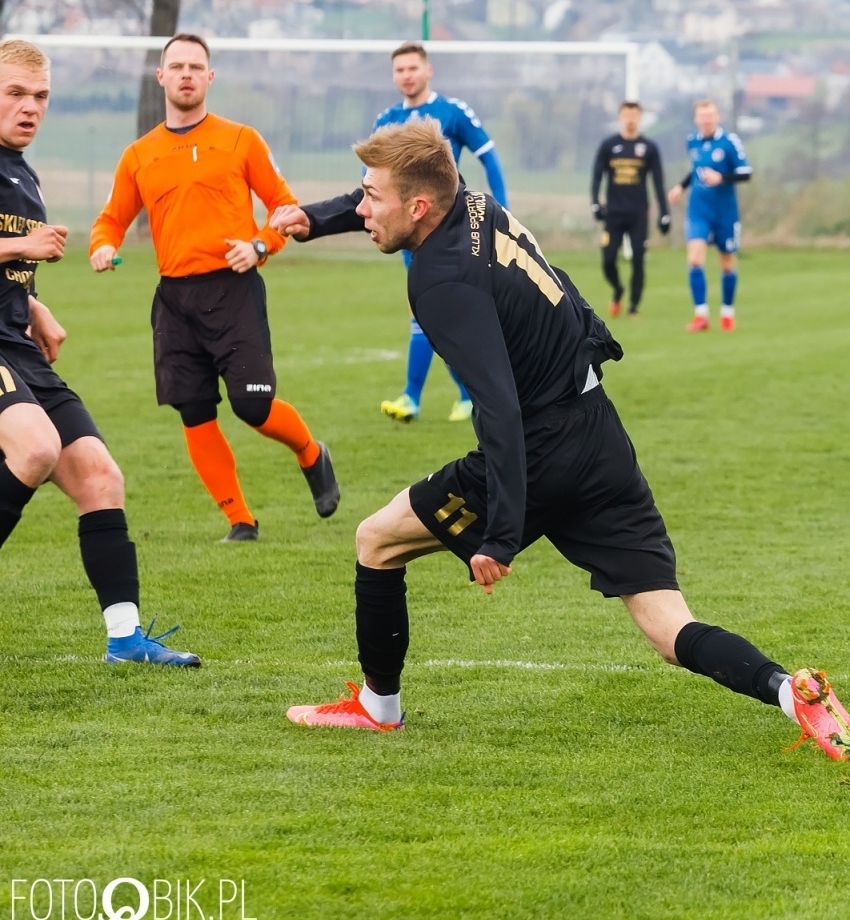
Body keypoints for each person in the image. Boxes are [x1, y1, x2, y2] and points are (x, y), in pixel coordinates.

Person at [268, 121, 850, 761]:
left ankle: (377, 709)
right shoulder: (472, 202)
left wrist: (501, 536)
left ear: (418, 207)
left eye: (369, 197)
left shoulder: (441, 282)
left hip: (536, 449)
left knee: (376, 540)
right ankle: (790, 692)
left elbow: (497, 407)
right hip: (597, 435)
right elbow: (406, 189)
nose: (360, 207)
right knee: (671, 629)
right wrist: (315, 216)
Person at [88, 33, 339, 543]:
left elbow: (285, 209)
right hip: (175, 301)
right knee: (195, 410)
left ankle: (312, 454)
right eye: (175, 66)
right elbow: (111, 218)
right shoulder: (139, 154)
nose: (185, 73)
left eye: (195, 66)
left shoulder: (241, 139)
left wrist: (261, 246)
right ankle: (240, 521)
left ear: (209, 77)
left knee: (253, 407)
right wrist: (100, 246)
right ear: (161, 77)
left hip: (235, 290)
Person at [0, 39, 198, 665]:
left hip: (15, 343)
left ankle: (125, 640)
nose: (30, 108)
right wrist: (20, 249)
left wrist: (32, 305)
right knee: (34, 447)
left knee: (100, 478)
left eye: (41, 97)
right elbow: (14, 249)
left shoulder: (20, 170)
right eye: (15, 94)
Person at [374, 42, 510, 425]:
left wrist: (504, 209)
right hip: (406, 232)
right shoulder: (385, 120)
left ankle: (414, 397)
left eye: (413, 68)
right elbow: (371, 177)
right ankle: (466, 395)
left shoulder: (452, 112)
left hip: (449, 227)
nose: (406, 75)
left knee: (436, 312)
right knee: (432, 313)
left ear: (428, 71)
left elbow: (489, 156)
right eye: (399, 69)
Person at [666, 100, 750, 332]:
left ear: (717, 117)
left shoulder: (730, 142)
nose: (706, 120)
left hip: (725, 212)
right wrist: (681, 187)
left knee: (726, 264)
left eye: (710, 115)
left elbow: (745, 173)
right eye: (702, 116)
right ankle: (701, 315)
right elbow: (696, 170)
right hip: (698, 211)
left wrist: (722, 178)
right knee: (694, 260)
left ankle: (727, 312)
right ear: (696, 119)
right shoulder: (692, 141)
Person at [590, 101, 670, 317]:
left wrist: (664, 213)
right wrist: (595, 202)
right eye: (627, 115)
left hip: (638, 215)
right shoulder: (609, 146)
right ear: (620, 117)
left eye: (635, 115)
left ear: (640, 118)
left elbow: (658, 183)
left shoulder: (649, 148)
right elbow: (597, 176)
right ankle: (618, 289)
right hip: (613, 215)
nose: (631, 119)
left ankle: (633, 307)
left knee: (637, 259)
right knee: (607, 260)